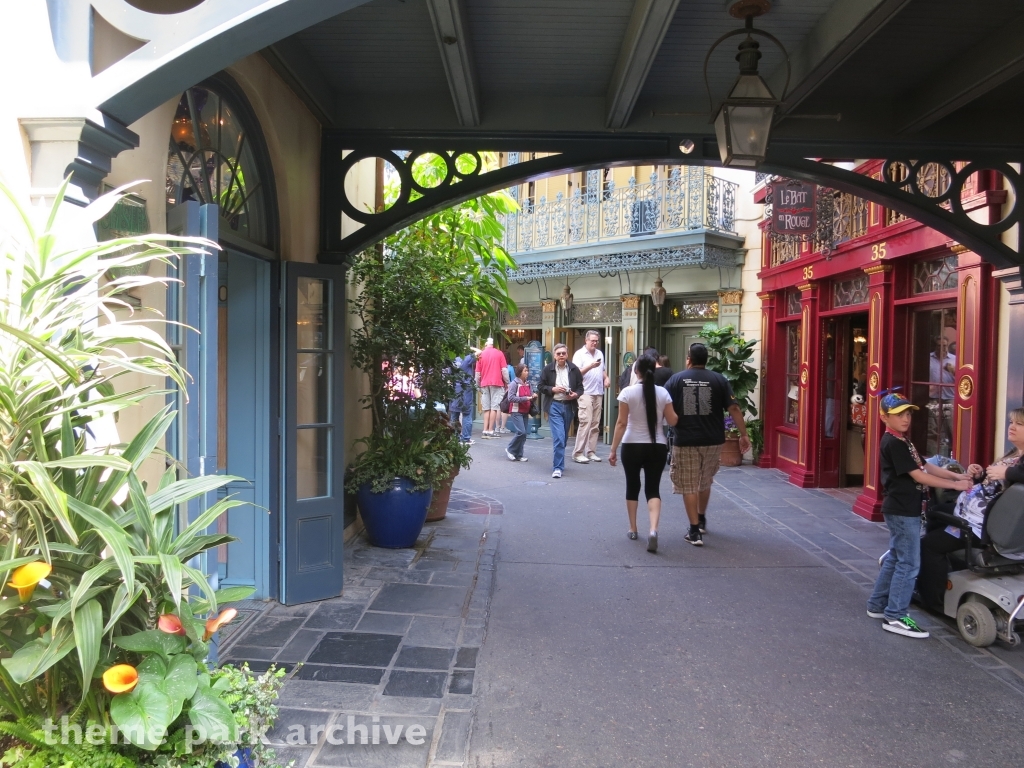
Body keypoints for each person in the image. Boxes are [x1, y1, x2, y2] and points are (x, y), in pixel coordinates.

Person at [866, 392, 972, 638]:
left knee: (896, 557)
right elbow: (920, 476)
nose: (905, 419)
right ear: (884, 417)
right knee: (909, 563)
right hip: (902, 510)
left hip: (903, 508)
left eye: (908, 413)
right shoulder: (893, 443)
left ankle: (878, 604)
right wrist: (956, 485)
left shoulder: (903, 440)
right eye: (898, 415)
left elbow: (925, 465)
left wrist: (955, 475)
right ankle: (895, 616)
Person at [917, 408, 1024, 612]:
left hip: (982, 525)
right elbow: (995, 486)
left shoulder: (1017, 466)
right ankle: (947, 568)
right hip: (975, 512)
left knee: (929, 545)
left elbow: (1012, 477)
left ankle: (934, 602)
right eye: (1011, 422)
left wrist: (1006, 472)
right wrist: (980, 475)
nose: (1012, 427)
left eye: (1019, 424)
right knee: (936, 514)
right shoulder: (1014, 454)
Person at [663, 343, 750, 546]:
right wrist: (743, 434)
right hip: (713, 440)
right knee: (705, 480)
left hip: (685, 439)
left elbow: (663, 403)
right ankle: (701, 519)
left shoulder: (676, 379)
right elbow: (734, 408)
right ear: (706, 360)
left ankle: (694, 531)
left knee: (689, 484)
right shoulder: (719, 379)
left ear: (689, 359)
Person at [609, 356, 678, 553]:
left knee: (632, 486)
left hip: (631, 444)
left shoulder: (627, 392)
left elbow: (621, 423)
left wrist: (613, 450)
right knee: (653, 488)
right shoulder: (663, 393)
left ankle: (633, 528)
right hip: (657, 446)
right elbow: (673, 420)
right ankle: (653, 529)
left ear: (636, 371)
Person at [538, 343, 584, 478]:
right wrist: (552, 389)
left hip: (569, 406)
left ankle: (559, 460)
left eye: (564, 353)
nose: (561, 355)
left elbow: (581, 388)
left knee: (563, 438)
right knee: (559, 437)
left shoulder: (574, 369)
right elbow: (540, 386)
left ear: (567, 354)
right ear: (554, 355)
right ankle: (558, 467)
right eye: (559, 354)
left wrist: (576, 394)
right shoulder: (548, 369)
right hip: (554, 405)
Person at [572, 330, 610, 464]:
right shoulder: (579, 354)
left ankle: (591, 452)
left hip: (598, 392)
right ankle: (578, 453)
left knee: (595, 424)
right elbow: (576, 374)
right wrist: (590, 366)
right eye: (592, 340)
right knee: (585, 422)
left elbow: (602, 369)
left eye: (596, 341)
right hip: (585, 392)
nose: (595, 343)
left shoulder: (599, 353)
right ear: (586, 340)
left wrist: (606, 378)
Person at [927, 334, 956, 456]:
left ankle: (955, 455)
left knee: (952, 428)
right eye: (939, 346)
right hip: (933, 398)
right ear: (935, 346)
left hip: (950, 397)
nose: (942, 348)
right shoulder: (928, 358)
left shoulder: (955, 359)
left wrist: (952, 370)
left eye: (944, 346)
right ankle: (933, 457)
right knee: (932, 429)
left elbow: (964, 379)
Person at [476, 337, 510, 439]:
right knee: (494, 408)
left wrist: (478, 385)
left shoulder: (480, 354)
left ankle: (485, 430)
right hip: (497, 383)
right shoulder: (499, 353)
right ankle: (491, 430)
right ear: (493, 344)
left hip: (484, 384)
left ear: (486, 344)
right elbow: (504, 370)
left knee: (486, 408)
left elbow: (477, 374)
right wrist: (507, 382)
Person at [505, 363, 536, 462]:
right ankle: (510, 449)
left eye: (527, 370)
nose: (527, 373)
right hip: (516, 411)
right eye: (525, 371)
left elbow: (530, 395)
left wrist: (533, 396)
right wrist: (526, 398)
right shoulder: (514, 383)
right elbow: (511, 398)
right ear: (519, 372)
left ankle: (519, 454)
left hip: (525, 411)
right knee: (521, 432)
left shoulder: (528, 383)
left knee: (524, 434)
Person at [449, 352, 478, 445]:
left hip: (455, 390)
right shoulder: (466, 359)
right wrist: (471, 348)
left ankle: (455, 438)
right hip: (466, 390)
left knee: (454, 415)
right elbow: (480, 352)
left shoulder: (452, 361)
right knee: (467, 414)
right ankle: (466, 438)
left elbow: (449, 375)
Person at [497, 357, 516, 436]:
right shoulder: (510, 368)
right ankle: (503, 427)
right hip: (506, 389)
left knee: (498, 408)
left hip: (498, 387)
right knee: (504, 407)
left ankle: (497, 427)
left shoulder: (497, 366)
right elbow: (513, 380)